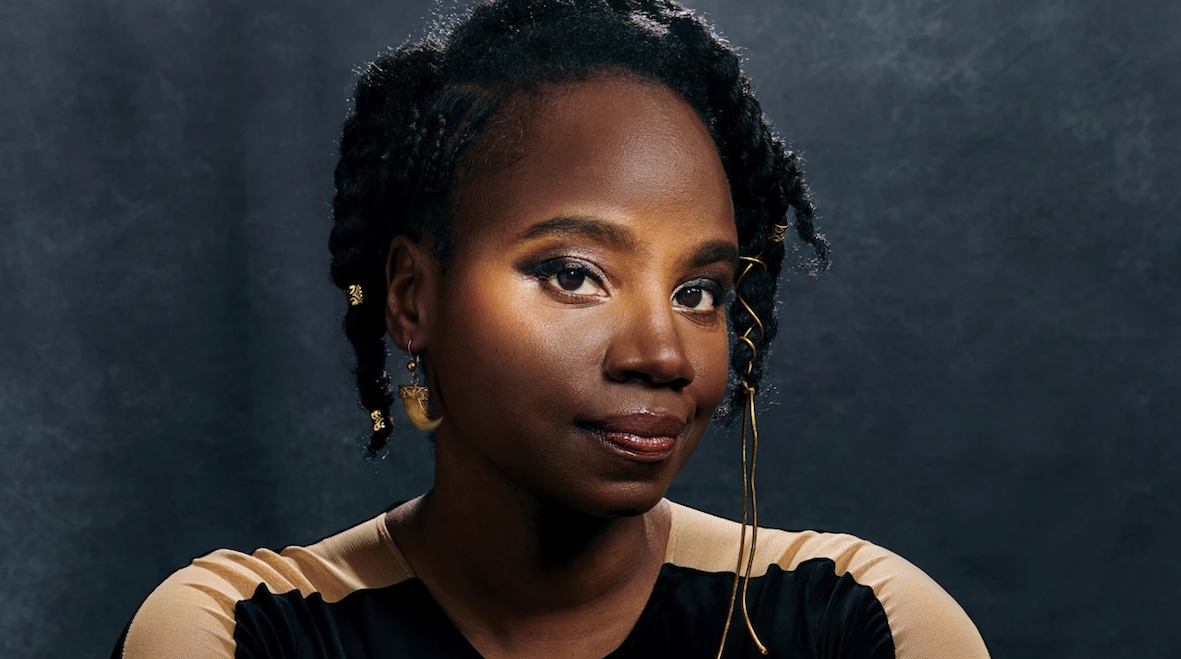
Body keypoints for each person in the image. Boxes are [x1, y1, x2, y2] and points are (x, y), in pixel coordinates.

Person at [112, 0, 991, 657]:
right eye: (574, 274)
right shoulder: (240, 629)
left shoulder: (857, 620)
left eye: (699, 291)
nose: (663, 354)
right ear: (412, 298)